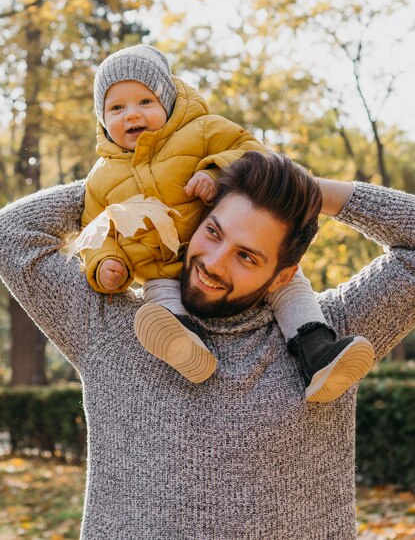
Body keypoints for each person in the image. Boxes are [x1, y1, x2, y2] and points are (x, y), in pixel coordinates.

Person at [0, 150, 415, 539]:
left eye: (247, 256)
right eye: (213, 232)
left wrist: (313, 193)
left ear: (283, 276)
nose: (212, 262)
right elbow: (8, 234)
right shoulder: (112, 328)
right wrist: (146, 179)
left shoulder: (326, 341)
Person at [74, 43, 373, 398]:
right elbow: (95, 229)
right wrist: (106, 263)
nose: (131, 115)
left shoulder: (202, 130)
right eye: (116, 108)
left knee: (288, 285)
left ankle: (318, 350)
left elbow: (254, 153)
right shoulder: (101, 178)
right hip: (161, 266)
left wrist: (215, 171)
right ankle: (185, 346)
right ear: (101, 119)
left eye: (145, 102)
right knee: (161, 303)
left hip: (234, 239)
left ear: (168, 101)